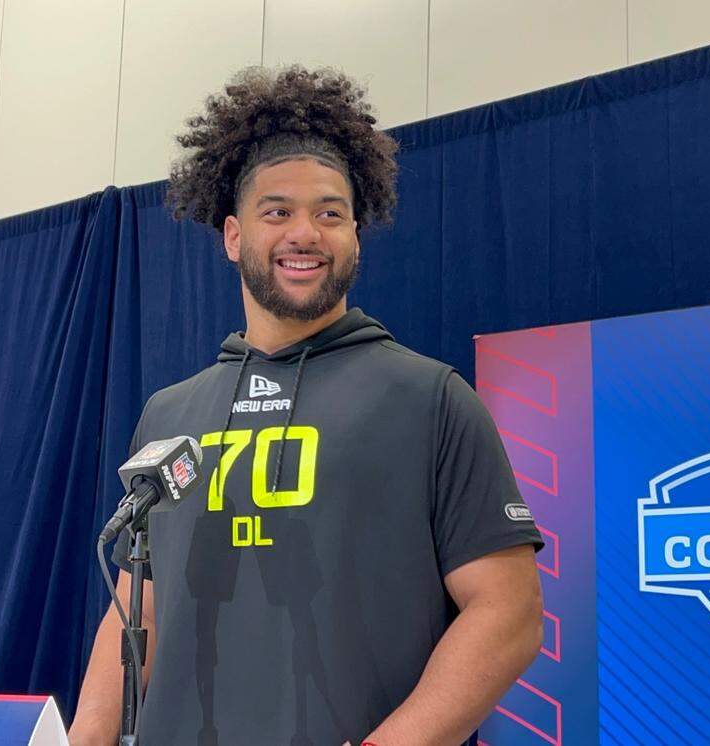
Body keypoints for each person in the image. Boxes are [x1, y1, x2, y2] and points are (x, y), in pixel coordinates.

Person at [68, 66, 544, 746]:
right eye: (277, 211)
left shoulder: (429, 399)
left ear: (356, 235)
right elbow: (137, 605)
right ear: (233, 237)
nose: (306, 233)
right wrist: (84, 738)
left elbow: (510, 611)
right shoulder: (169, 415)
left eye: (330, 213)